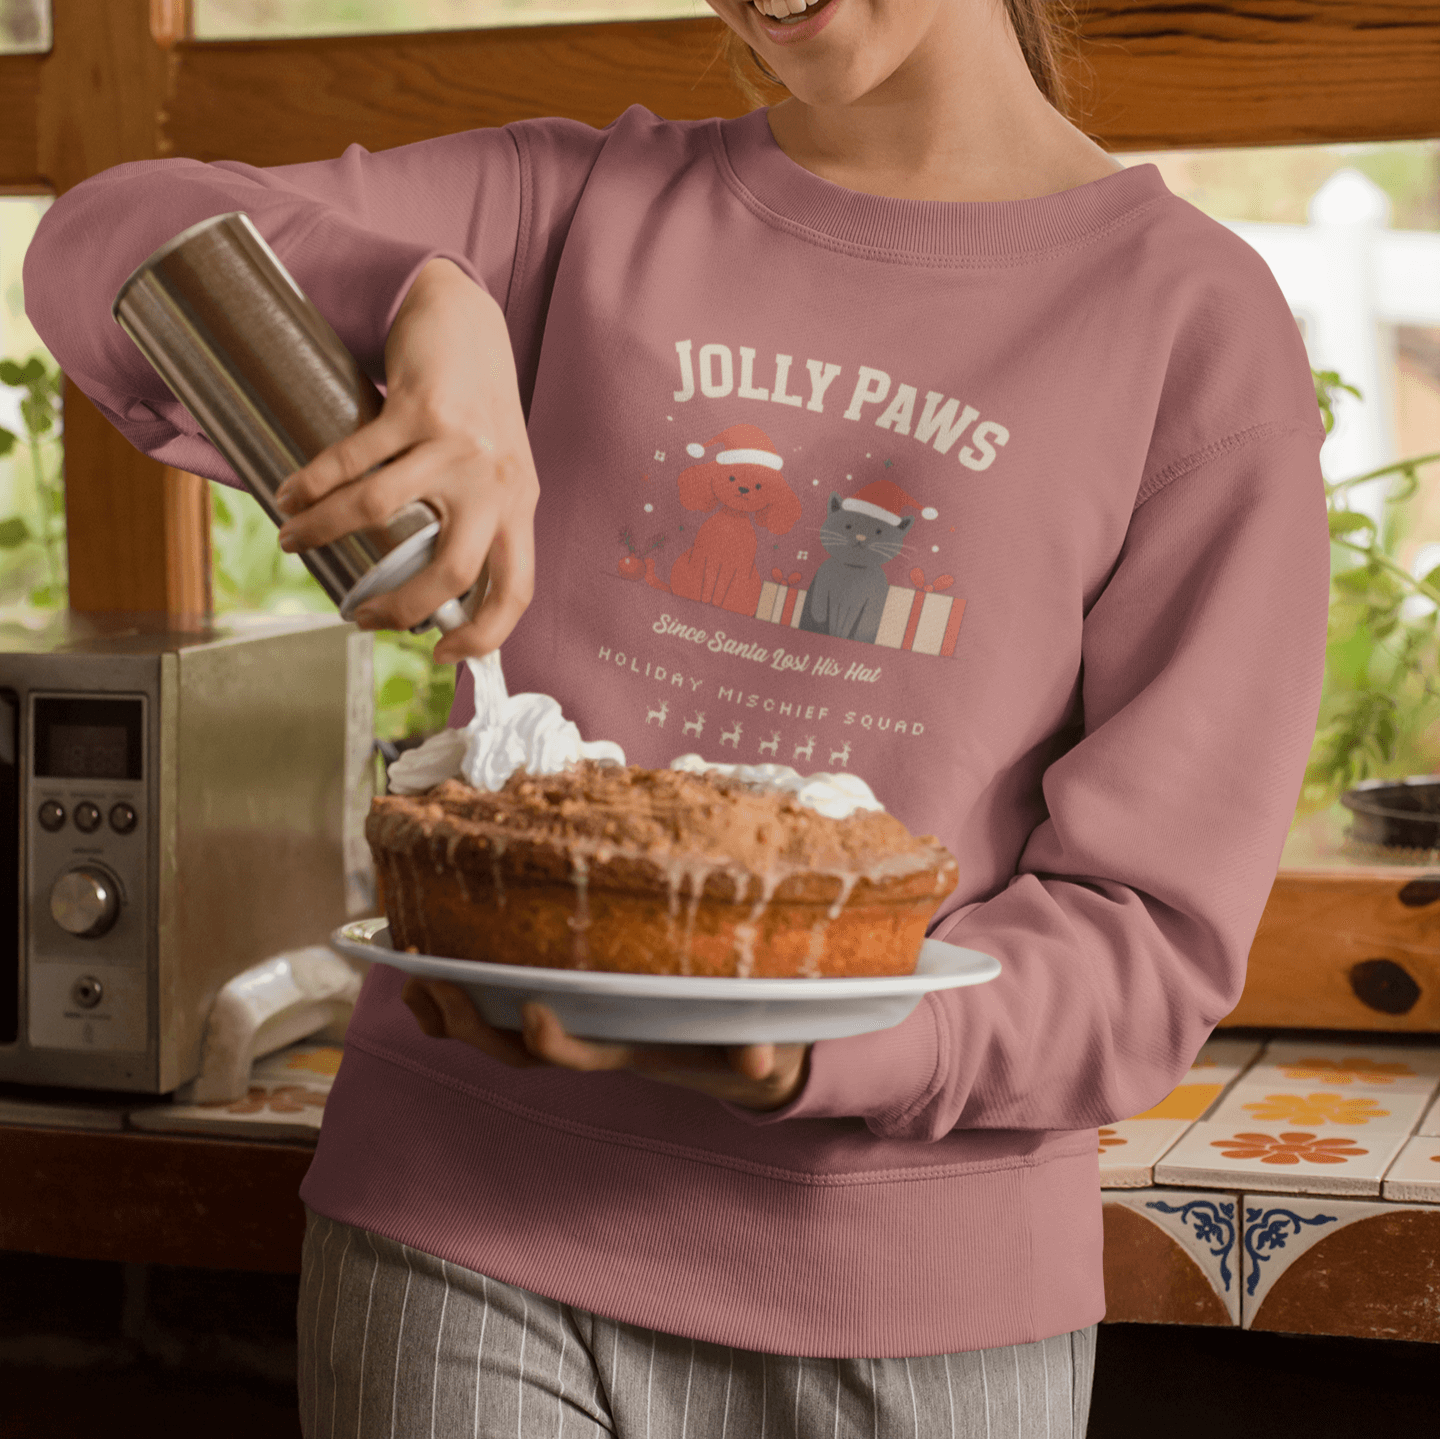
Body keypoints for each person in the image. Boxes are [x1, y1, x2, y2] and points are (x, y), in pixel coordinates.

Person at [25, 0, 1329, 1433]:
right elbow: (100, 241)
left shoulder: (1190, 326)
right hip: (459, 1245)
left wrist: (826, 1044)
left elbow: (1148, 933)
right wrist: (419, 294)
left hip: (916, 1311)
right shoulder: (567, 209)